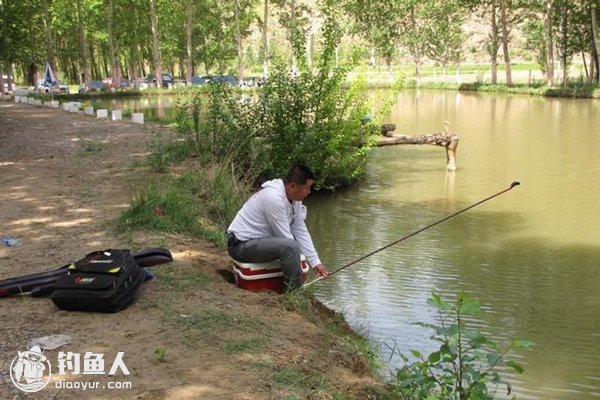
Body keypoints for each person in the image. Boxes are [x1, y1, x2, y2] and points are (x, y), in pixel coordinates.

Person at [227, 164, 329, 291]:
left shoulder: (295, 200)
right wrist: (300, 262)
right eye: (307, 188)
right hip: (240, 246)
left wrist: (315, 262)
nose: (309, 192)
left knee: (291, 247)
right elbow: (286, 239)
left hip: (257, 243)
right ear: (293, 186)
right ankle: (294, 292)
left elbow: (300, 230)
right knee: (291, 247)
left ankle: (292, 289)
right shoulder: (273, 198)